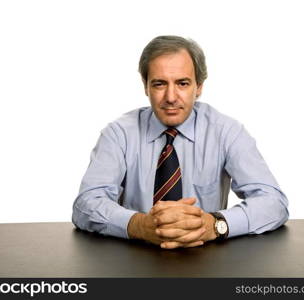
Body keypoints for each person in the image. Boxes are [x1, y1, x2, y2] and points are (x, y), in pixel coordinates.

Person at [72, 35, 289, 249]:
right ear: (145, 86)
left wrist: (214, 224)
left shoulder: (226, 132)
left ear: (199, 86)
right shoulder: (119, 133)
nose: (171, 97)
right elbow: (86, 204)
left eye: (182, 83)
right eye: (159, 84)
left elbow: (273, 203)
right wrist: (139, 225)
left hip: (208, 260)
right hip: (134, 258)